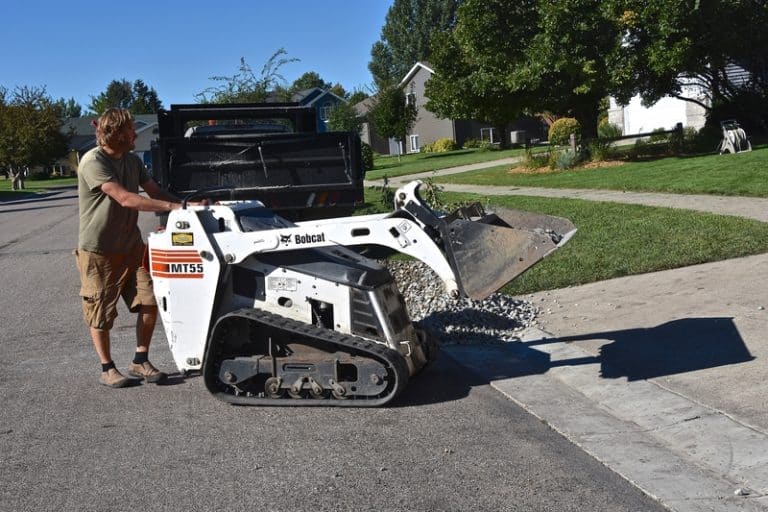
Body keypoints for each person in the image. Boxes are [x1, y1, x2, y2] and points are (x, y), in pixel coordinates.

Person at [76, 108, 184, 388]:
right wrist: (173, 207)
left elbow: (155, 192)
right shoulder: (92, 161)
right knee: (100, 312)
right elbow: (125, 198)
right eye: (130, 130)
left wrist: (187, 207)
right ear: (115, 133)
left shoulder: (132, 160)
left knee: (150, 301)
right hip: (99, 251)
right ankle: (107, 368)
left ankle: (140, 360)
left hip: (132, 247)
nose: (135, 134)